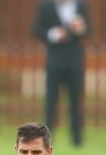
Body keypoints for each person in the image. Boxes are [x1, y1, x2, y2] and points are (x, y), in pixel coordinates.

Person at [32, 0, 91, 147]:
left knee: (75, 102)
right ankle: (46, 140)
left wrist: (80, 30)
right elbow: (37, 30)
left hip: (75, 61)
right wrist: (54, 34)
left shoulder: (81, 6)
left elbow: (89, 30)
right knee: (51, 102)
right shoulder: (46, 6)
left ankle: (77, 140)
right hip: (54, 61)